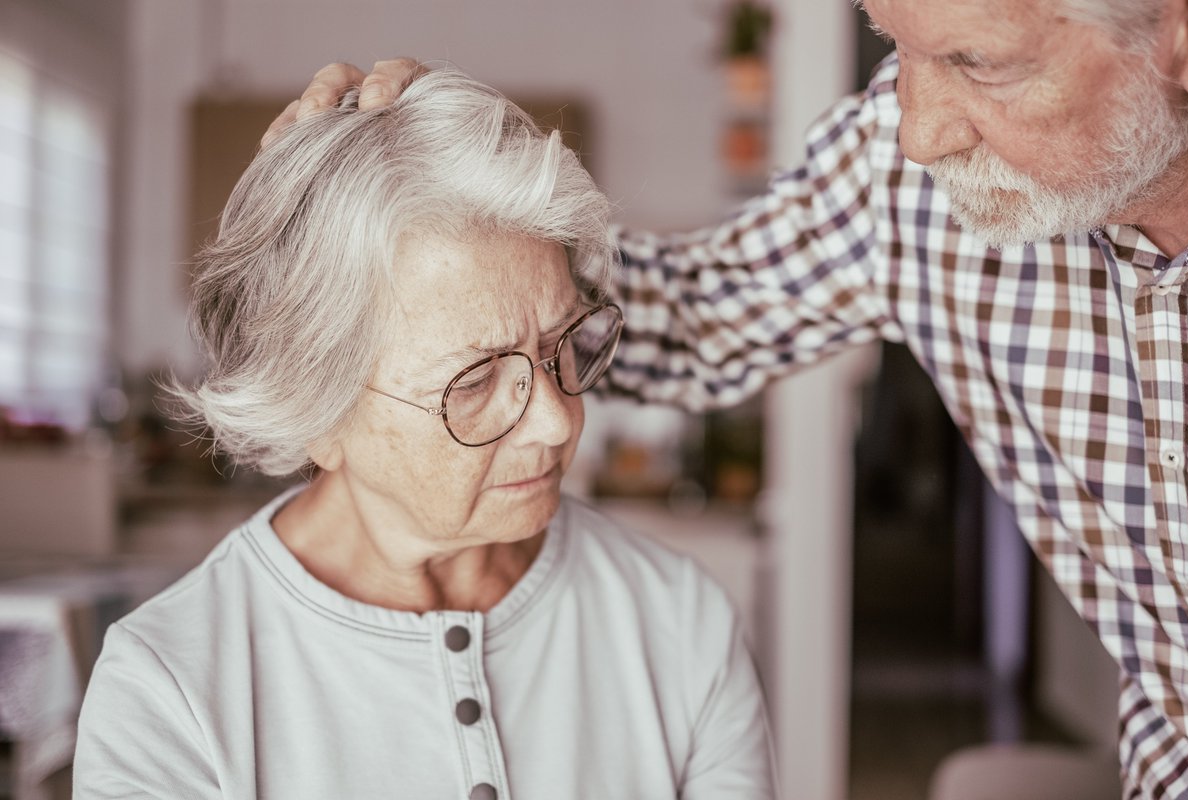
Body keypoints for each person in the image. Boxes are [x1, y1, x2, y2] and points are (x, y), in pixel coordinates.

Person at [278, 0, 1188, 796]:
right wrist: (473, 215)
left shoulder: (674, 626)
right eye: (893, 43)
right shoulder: (902, 174)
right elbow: (693, 313)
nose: (920, 129)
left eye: (977, 62)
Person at [73, 67, 776, 799]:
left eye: (562, 341)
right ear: (317, 412)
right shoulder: (168, 694)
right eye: (472, 383)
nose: (558, 419)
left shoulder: (680, 622)